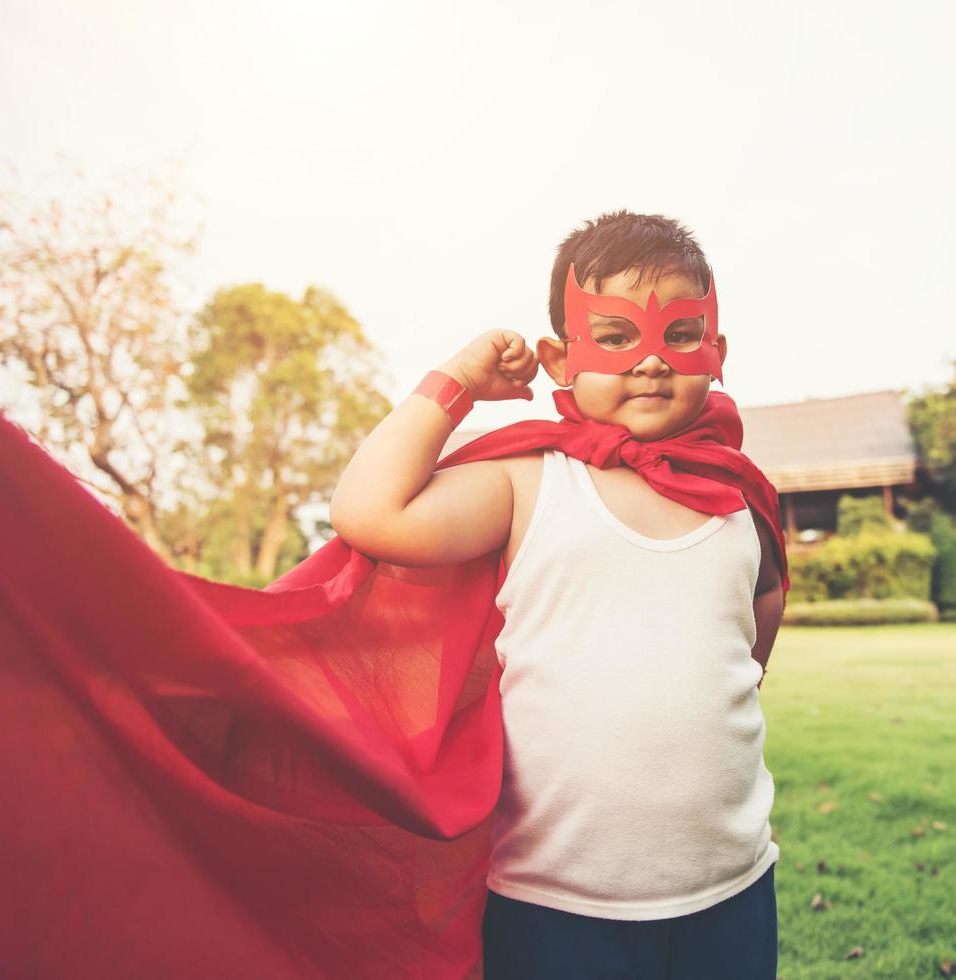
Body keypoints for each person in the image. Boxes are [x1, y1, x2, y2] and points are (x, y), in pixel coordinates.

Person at [330, 210, 788, 979]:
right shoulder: (527, 480)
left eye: (679, 334)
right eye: (613, 336)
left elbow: (765, 595)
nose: (650, 361)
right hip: (554, 901)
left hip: (731, 885)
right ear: (558, 358)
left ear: (717, 351)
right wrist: (456, 386)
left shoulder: (736, 494)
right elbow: (369, 514)